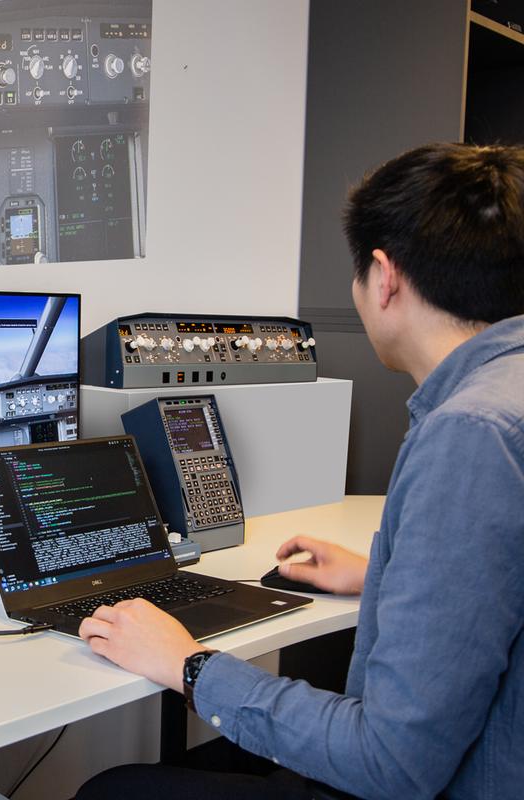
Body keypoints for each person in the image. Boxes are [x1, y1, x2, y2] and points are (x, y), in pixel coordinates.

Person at [76, 143, 524, 800]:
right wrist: (386, 578)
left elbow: (392, 763)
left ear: (384, 277)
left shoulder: (470, 431)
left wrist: (189, 664)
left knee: (113, 792)